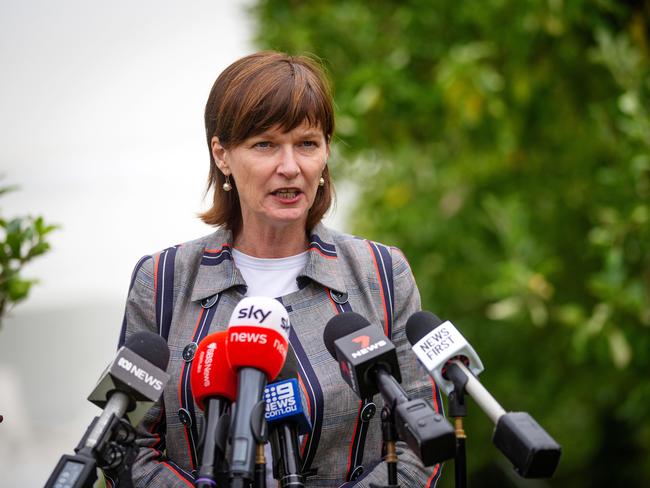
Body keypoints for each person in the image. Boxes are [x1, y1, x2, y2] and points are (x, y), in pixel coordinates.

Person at [114, 51, 444, 487]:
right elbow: (127, 447)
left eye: (307, 143)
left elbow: (422, 443)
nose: (290, 167)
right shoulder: (162, 281)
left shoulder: (382, 273)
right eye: (265, 144)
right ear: (222, 154)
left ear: (326, 151)